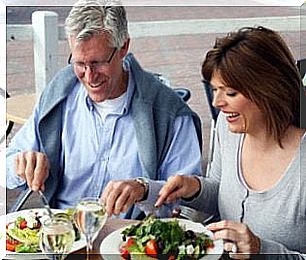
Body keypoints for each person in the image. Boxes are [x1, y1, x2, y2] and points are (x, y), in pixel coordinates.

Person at [6, 0, 202, 219]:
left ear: (124, 47)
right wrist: (20, 165)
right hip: (62, 232)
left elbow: (187, 203)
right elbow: (6, 164)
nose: (89, 77)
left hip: (127, 241)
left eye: (98, 62)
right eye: (79, 63)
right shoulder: (59, 93)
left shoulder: (170, 113)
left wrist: (144, 190)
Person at [156, 26, 306, 257]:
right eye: (215, 90)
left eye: (230, 93)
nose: (216, 102)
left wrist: (261, 250)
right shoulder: (228, 130)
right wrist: (193, 188)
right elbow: (220, 193)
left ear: (268, 91)